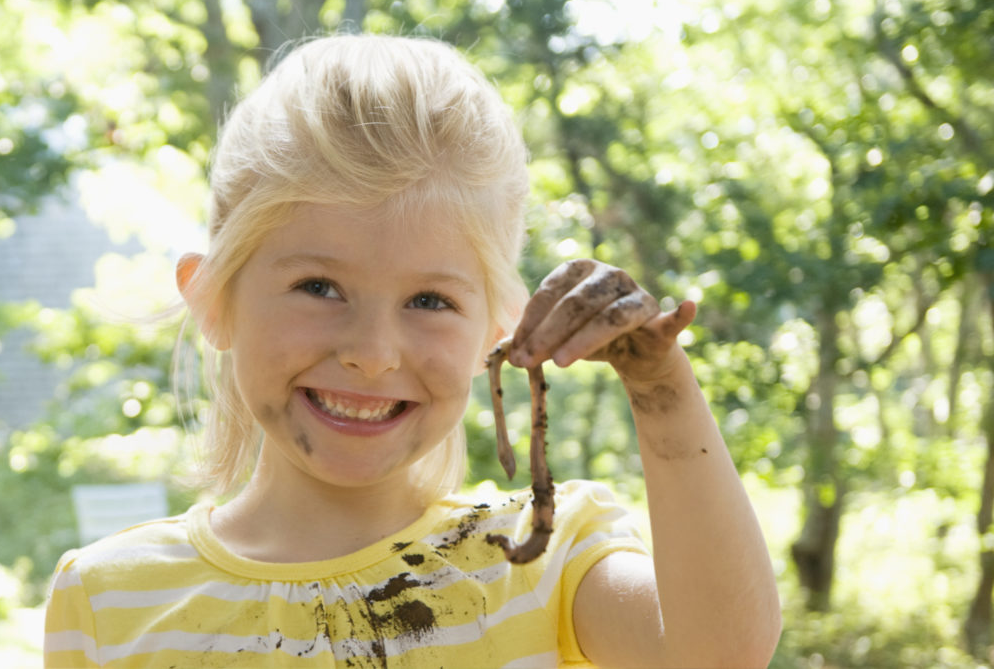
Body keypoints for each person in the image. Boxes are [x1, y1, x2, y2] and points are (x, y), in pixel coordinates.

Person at [44, 34, 781, 668]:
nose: (371, 352)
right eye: (318, 285)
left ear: (500, 327)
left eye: (430, 301)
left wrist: (661, 387)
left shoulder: (539, 557)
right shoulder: (109, 598)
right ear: (213, 299)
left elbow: (718, 652)